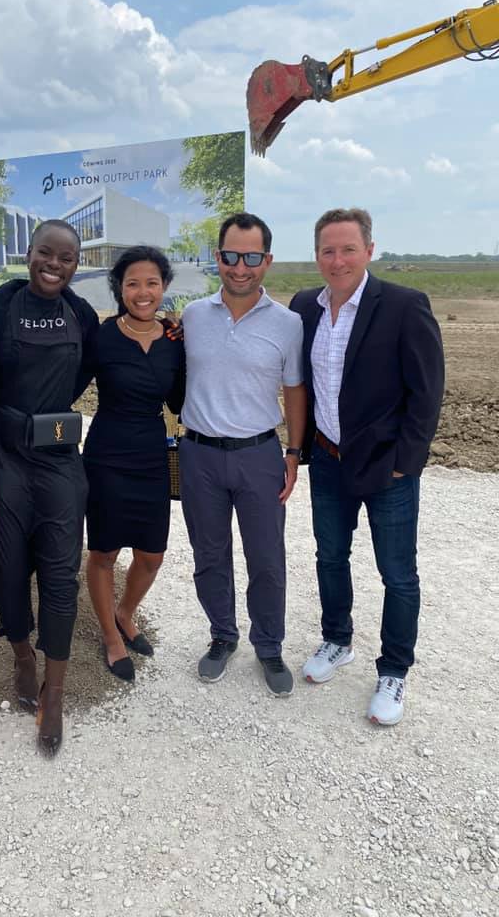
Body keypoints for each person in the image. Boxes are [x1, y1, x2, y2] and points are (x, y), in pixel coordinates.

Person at [290, 208, 444, 726]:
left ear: (369, 251)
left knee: (398, 574)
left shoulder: (403, 305)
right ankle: (337, 640)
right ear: (317, 255)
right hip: (329, 461)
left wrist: (407, 463)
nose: (338, 260)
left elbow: (426, 392)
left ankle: (395, 670)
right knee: (330, 557)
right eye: (328, 251)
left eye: (348, 249)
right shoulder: (304, 308)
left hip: (387, 468)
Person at [0, 219, 98, 755]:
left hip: (59, 460)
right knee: (3, 563)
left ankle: (57, 692)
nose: (55, 264)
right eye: (46, 253)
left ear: (75, 264)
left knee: (60, 572)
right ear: (29, 254)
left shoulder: (82, 314)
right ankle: (22, 652)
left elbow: (82, 375)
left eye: (66, 258)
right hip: (5, 457)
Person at [180, 212, 306, 695]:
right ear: (218, 257)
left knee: (267, 559)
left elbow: (294, 390)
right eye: (231, 256)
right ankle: (222, 635)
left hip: (259, 455)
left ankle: (269, 646)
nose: (240, 267)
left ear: (267, 261)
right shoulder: (193, 316)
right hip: (200, 456)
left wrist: (293, 452)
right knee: (209, 555)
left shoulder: (288, 324)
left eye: (252, 257)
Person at [83, 246, 185, 682]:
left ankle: (126, 611)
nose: (143, 293)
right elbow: (65, 383)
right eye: (132, 284)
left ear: (163, 287)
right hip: (106, 454)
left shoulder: (175, 341)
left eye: (151, 283)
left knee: (152, 555)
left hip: (150, 454)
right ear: (120, 289)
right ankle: (110, 634)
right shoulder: (102, 337)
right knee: (104, 551)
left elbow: (179, 401)